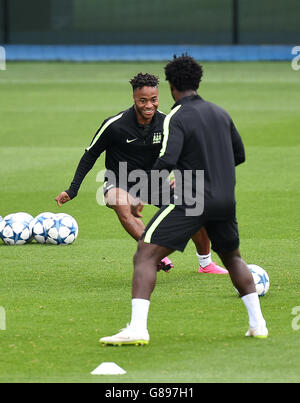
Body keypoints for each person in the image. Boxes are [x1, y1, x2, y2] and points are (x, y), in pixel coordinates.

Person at [100, 55, 268, 346]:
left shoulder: (176, 117)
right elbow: (238, 155)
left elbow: (167, 160)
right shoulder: (219, 112)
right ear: (198, 82)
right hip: (225, 198)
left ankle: (138, 328)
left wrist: (140, 192)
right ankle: (258, 324)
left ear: (171, 86)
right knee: (233, 257)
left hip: (192, 197)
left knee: (145, 254)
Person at [55, 73, 226, 274]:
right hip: (120, 181)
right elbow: (90, 155)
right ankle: (155, 252)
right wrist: (72, 190)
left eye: (153, 100)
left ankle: (205, 264)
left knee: (194, 207)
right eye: (142, 100)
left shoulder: (166, 123)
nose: (149, 105)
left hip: (154, 180)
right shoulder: (115, 125)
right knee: (121, 203)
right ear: (134, 99)